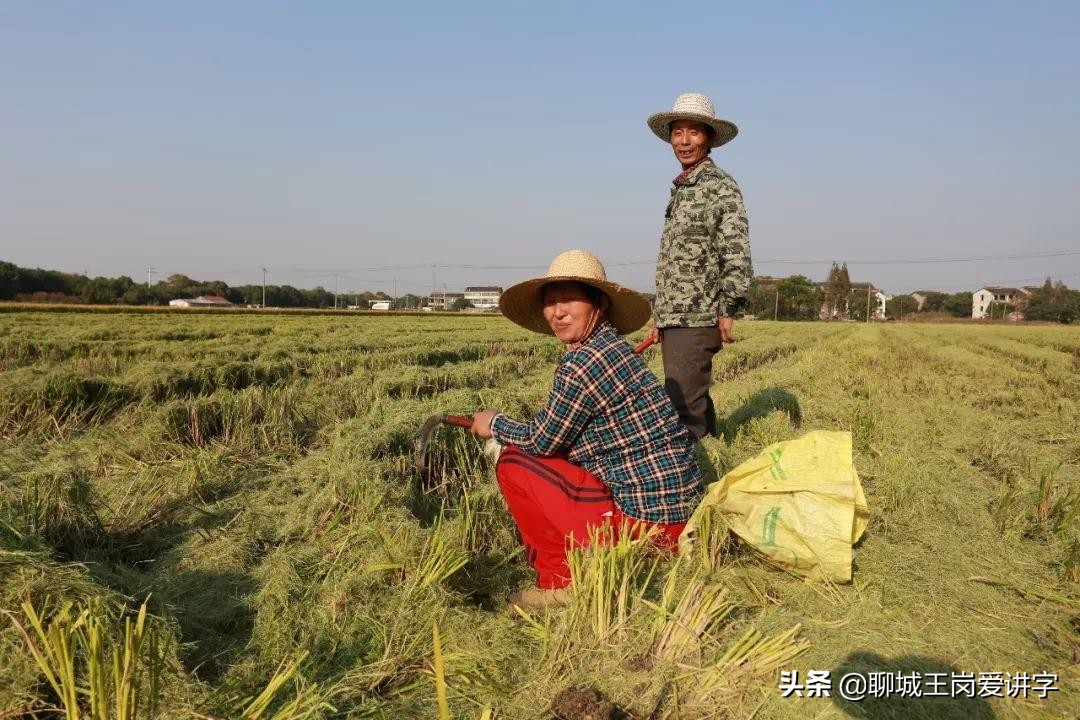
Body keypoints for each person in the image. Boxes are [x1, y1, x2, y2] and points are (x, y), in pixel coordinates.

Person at [470, 250, 703, 610]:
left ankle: (560, 582)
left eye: (568, 300)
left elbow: (541, 440)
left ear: (599, 305)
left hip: (644, 531)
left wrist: (494, 423)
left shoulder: (585, 362)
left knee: (516, 463)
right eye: (549, 303)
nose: (556, 312)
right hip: (680, 517)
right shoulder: (612, 348)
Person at [645, 93, 752, 439]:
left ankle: (692, 485)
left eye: (693, 132)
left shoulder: (719, 187)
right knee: (694, 400)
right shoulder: (683, 188)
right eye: (678, 133)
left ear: (708, 137)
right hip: (675, 316)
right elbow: (673, 263)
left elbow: (735, 252)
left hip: (698, 316)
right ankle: (716, 461)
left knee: (682, 410)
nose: (685, 141)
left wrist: (728, 308)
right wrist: (658, 316)